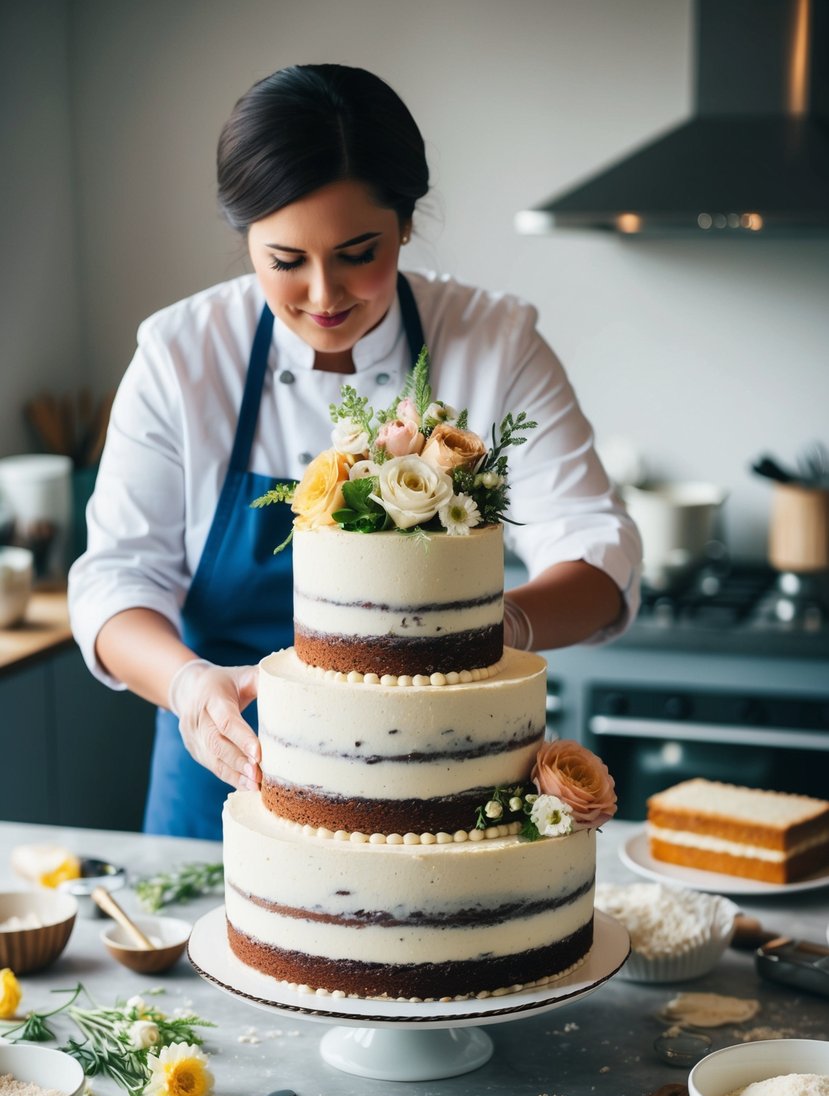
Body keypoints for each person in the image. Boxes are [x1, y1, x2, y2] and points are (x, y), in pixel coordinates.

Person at [68, 64, 641, 840]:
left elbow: (597, 548)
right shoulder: (181, 354)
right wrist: (188, 685)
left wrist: (487, 626)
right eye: (284, 261)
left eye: (356, 251)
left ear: (405, 223)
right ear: (245, 241)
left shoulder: (493, 342)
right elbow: (115, 578)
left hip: (431, 795)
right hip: (230, 771)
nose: (323, 294)